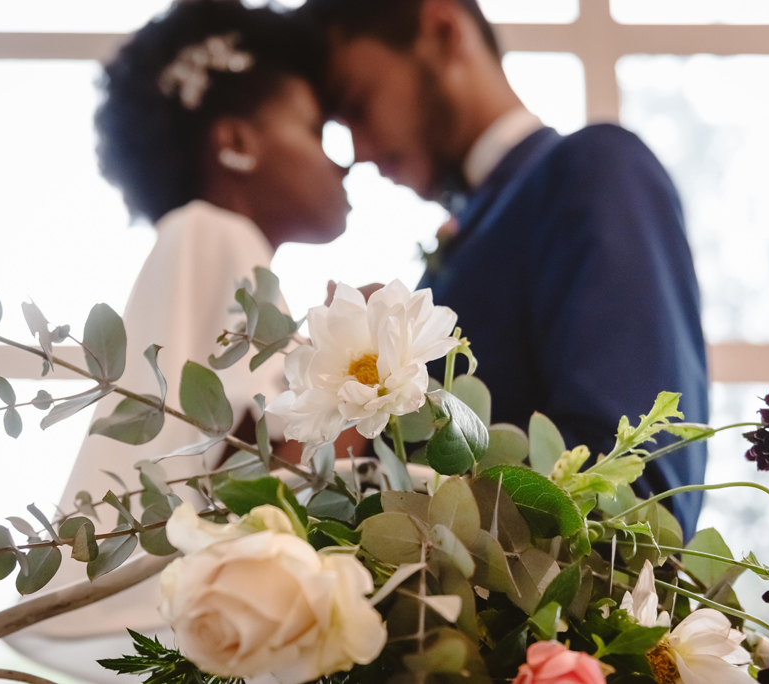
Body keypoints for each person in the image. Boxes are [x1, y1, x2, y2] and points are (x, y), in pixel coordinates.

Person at [6, 2, 349, 681]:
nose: (342, 163)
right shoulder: (212, 236)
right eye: (314, 130)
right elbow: (246, 472)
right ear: (237, 141)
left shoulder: (223, 253)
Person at [300, 0, 709, 535]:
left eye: (357, 104)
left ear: (443, 30)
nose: (360, 150)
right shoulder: (461, 238)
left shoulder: (596, 168)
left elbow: (638, 493)